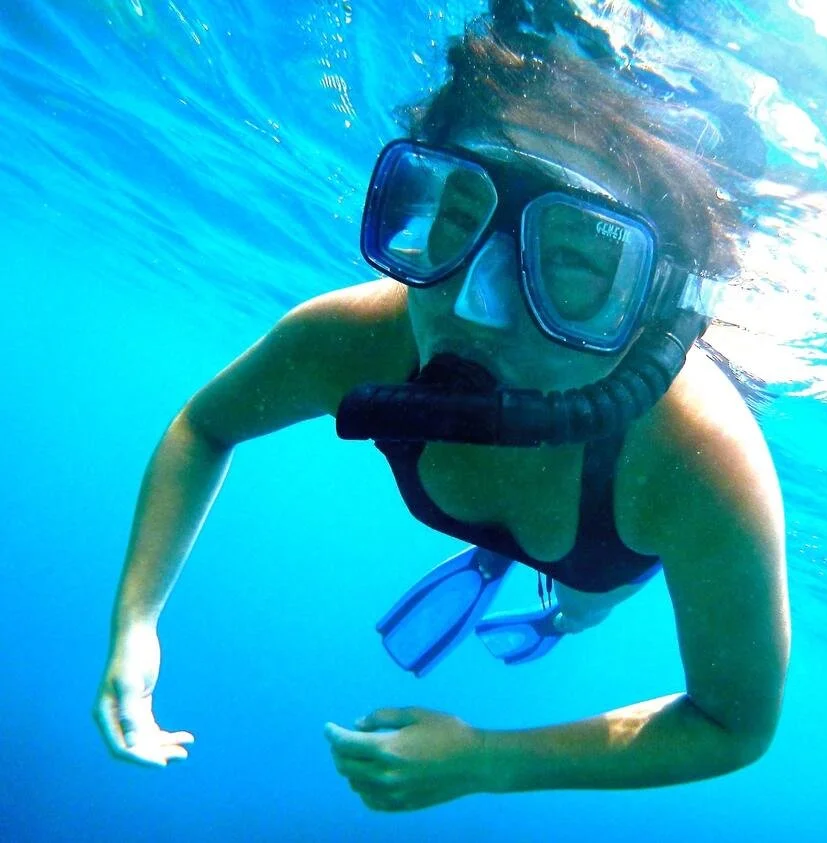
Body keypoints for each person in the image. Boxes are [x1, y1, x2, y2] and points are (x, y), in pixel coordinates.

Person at [94, 9, 790, 813]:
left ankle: (561, 613)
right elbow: (204, 426)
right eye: (459, 216)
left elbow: (734, 724)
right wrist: (137, 620)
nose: (475, 305)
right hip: (583, 505)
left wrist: (487, 760)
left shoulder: (696, 459)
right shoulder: (361, 336)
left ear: (656, 311)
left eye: (570, 260)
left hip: (598, 539)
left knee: (580, 599)